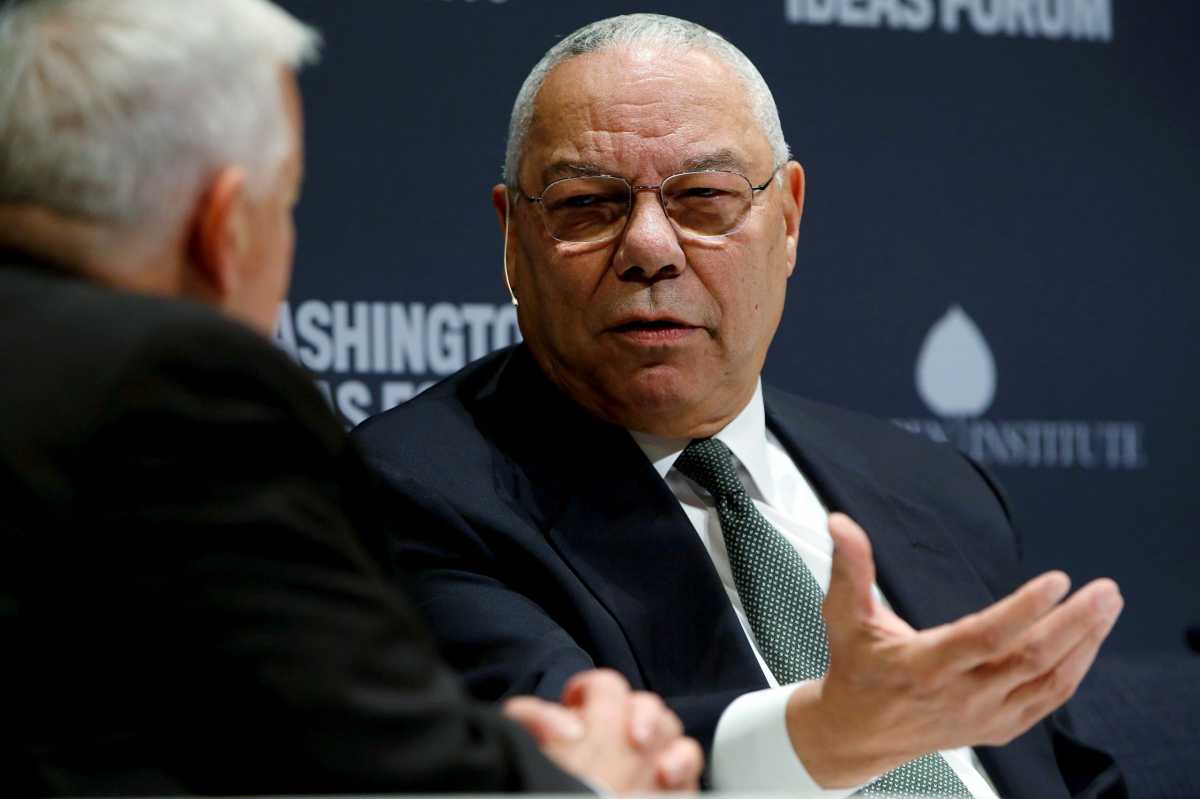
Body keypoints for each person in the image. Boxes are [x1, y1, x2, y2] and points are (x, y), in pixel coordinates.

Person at [354, 13, 1127, 799]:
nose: (650, 246)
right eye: (587, 203)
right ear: (514, 238)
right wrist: (828, 733)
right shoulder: (412, 493)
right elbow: (562, 768)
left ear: (787, 218)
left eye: (703, 197)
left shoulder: (939, 490)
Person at [0, 1, 703, 794]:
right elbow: (370, 765)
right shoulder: (179, 384)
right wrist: (581, 777)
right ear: (223, 229)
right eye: (286, 204)